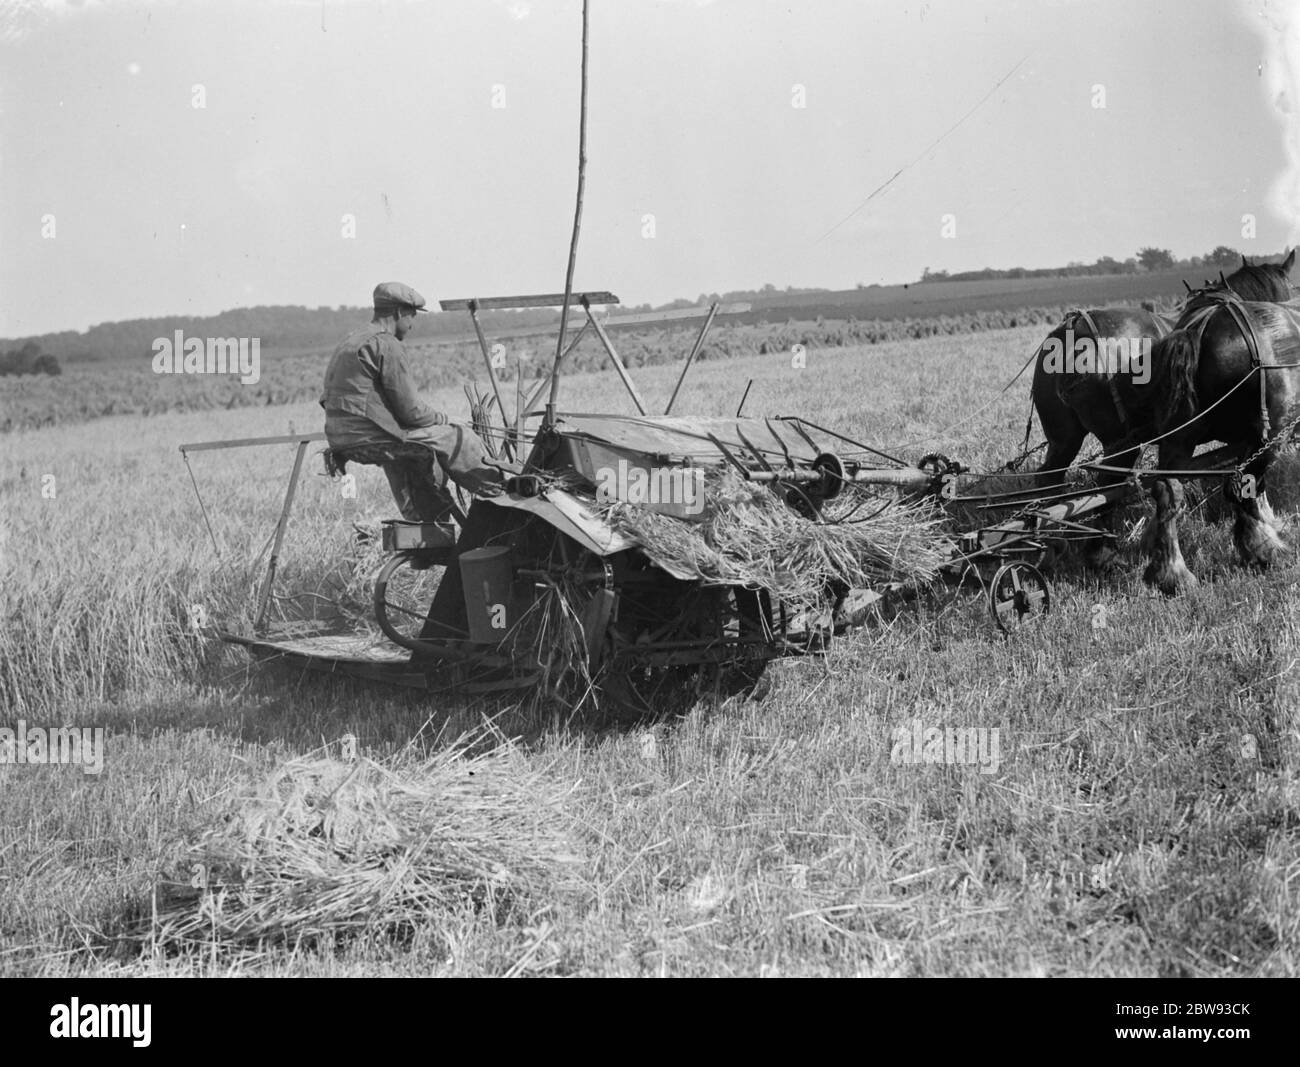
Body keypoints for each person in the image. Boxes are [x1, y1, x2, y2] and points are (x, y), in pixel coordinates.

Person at [320, 282, 502, 523]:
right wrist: (449, 420)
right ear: (398, 312)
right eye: (412, 315)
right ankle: (500, 497)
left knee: (415, 456)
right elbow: (413, 413)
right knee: (458, 436)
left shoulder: (350, 341)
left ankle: (426, 525)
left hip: (344, 439)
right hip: (373, 436)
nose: (412, 323)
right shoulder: (386, 344)